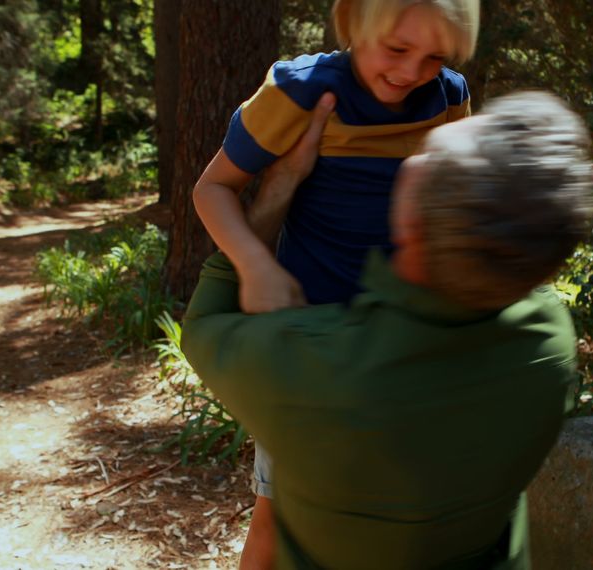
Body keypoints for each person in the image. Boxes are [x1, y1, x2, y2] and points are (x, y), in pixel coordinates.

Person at [182, 91, 593, 569]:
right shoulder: (547, 343)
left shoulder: (325, 369)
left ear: (411, 226)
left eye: (427, 156)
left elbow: (205, 327)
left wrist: (280, 184)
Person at [190, 1, 479, 566]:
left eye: (433, 56)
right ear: (352, 22)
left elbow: (452, 205)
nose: (410, 72)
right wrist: (256, 265)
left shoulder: (450, 97)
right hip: (312, 345)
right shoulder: (298, 90)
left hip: (403, 345)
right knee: (279, 512)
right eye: (396, 48)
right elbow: (212, 188)